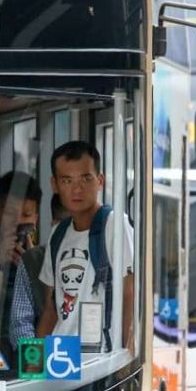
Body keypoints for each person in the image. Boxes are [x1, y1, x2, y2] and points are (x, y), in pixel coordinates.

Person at [37, 141, 134, 350]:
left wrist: (126, 360)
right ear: (54, 185)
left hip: (99, 362)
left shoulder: (115, 224)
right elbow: (51, 308)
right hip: (62, 360)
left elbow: (131, 294)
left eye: (86, 179)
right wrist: (33, 369)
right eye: (67, 180)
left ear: (100, 181)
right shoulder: (58, 234)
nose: (77, 189)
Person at [8, 194, 67, 355]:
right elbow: (20, 324)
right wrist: (34, 362)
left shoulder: (101, 258)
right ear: (55, 225)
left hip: (91, 361)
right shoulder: (32, 261)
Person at [0, 170, 42, 366]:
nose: (18, 223)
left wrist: (31, 267)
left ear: (36, 218)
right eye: (11, 215)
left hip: (30, 354)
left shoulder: (46, 261)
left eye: (26, 215)